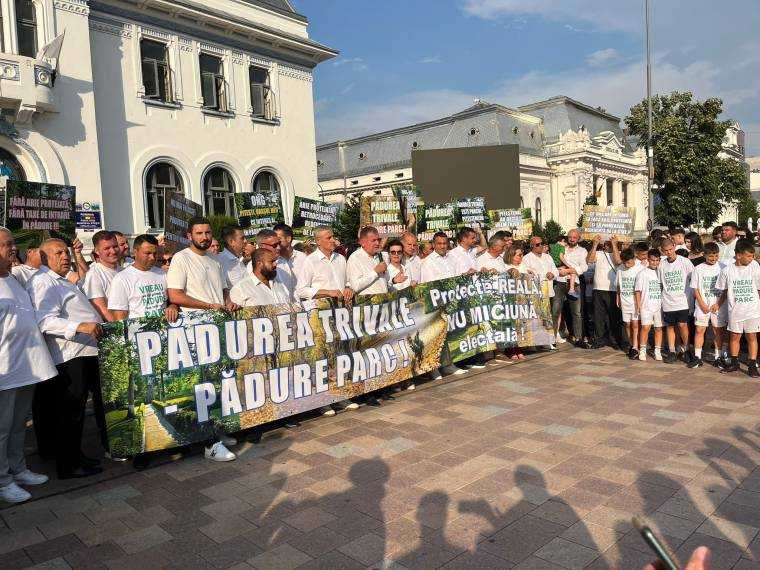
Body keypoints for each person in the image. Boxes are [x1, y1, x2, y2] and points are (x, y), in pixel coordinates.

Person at [27, 239, 104, 479]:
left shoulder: (61, 279)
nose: (65, 256)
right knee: (69, 413)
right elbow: (44, 320)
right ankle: (68, 465)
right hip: (70, 355)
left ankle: (75, 456)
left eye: (66, 251)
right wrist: (80, 325)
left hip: (84, 351)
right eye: (58, 253)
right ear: (44, 257)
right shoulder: (42, 282)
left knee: (76, 413)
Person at [166, 217, 239, 461]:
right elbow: (175, 294)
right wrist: (208, 305)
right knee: (202, 388)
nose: (204, 237)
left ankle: (215, 431)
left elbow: (224, 289)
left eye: (208, 232)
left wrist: (227, 301)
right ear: (189, 235)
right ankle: (209, 444)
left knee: (218, 385)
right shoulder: (181, 258)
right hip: (195, 332)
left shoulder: (215, 259)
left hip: (216, 329)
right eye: (199, 233)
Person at [0, 229, 57, 503]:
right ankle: (2, 481)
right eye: (8, 244)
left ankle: (18, 469)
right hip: (4, 371)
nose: (14, 248)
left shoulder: (13, 277)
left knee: (18, 425)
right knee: (1, 429)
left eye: (13, 243)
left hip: (27, 367)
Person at [296, 226, 359, 415]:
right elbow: (300, 290)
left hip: (339, 312)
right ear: (318, 241)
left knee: (339, 352)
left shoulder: (340, 258)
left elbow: (348, 280)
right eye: (328, 237)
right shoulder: (310, 261)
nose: (333, 240)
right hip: (319, 314)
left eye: (333, 236)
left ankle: (340, 396)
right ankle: (323, 400)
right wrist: (326, 292)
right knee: (321, 356)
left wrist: (348, 287)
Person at [420, 232, 467, 378]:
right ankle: (433, 368)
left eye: (444, 243)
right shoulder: (428, 262)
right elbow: (428, 285)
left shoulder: (451, 258)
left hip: (452, 301)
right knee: (435, 336)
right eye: (439, 243)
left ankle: (447, 365)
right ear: (433, 245)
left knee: (448, 334)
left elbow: (457, 276)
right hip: (437, 303)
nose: (442, 246)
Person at [108, 234, 179, 321]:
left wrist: (173, 307)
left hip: (164, 330)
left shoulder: (163, 273)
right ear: (135, 252)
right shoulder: (121, 279)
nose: (152, 257)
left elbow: (172, 300)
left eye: (155, 253)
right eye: (147, 253)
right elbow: (119, 318)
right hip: (138, 332)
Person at [716, 239, 760, 376]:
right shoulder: (727, 270)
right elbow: (723, 290)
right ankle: (734, 363)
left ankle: (752, 365)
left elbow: (758, 289)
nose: (751, 258)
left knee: (752, 336)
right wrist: (718, 304)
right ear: (739, 255)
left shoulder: (755, 267)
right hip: (734, 310)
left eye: (753, 256)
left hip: (752, 309)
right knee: (734, 336)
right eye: (748, 255)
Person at [689, 241, 726, 368]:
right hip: (702, 305)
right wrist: (702, 304)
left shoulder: (723, 267)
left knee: (718, 331)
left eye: (716, 255)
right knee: (700, 329)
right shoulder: (698, 269)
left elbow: (726, 289)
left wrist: (718, 303)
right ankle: (697, 357)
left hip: (718, 305)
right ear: (704, 255)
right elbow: (695, 289)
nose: (713, 259)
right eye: (710, 256)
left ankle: (718, 356)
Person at [658, 239, 695, 363]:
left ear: (674, 247)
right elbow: (660, 283)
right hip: (668, 301)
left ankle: (687, 349)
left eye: (670, 249)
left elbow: (693, 278)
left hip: (683, 300)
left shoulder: (685, 261)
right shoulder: (661, 264)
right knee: (670, 327)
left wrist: (692, 296)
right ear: (662, 251)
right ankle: (672, 351)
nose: (669, 252)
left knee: (683, 325)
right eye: (666, 251)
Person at [552, 229, 588, 347]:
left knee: (576, 312)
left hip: (574, 283)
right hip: (560, 281)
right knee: (555, 310)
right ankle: (553, 337)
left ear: (578, 238)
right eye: (570, 237)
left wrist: (569, 270)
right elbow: (553, 261)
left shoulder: (582, 251)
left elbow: (583, 268)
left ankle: (578, 338)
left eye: (574, 237)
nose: (572, 239)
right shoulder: (562, 248)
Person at [522, 236, 559, 349]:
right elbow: (526, 274)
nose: (541, 246)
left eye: (542, 243)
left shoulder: (548, 257)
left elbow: (555, 270)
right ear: (532, 246)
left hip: (548, 291)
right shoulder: (527, 258)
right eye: (537, 244)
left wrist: (553, 274)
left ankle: (548, 340)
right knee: (536, 318)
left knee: (548, 317)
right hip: (535, 293)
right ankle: (535, 342)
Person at [587, 235, 623, 349]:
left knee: (614, 317)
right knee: (598, 316)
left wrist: (614, 245)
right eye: (607, 244)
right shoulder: (598, 253)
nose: (607, 245)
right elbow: (589, 260)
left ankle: (615, 339)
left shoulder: (619, 252)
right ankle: (599, 339)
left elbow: (618, 261)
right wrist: (595, 244)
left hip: (612, 289)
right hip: (598, 288)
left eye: (609, 243)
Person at [82, 230, 122, 322]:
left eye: (115, 246)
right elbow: (102, 309)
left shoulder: (123, 271)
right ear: (97, 251)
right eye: (107, 248)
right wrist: (121, 329)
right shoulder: (94, 275)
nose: (113, 251)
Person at [635, 249, 664, 361]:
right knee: (645, 327)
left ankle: (657, 350)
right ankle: (642, 350)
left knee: (658, 328)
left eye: (657, 260)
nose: (655, 263)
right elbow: (638, 291)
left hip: (659, 305)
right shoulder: (642, 273)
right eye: (652, 260)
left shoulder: (661, 272)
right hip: (646, 305)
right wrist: (638, 305)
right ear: (648, 260)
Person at [616, 248, 644, 359]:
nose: (626, 265)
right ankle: (631, 343)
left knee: (636, 323)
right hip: (624, 300)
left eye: (628, 262)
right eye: (624, 262)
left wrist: (640, 303)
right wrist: (617, 297)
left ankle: (635, 347)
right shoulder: (620, 269)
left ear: (633, 258)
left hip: (636, 301)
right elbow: (618, 284)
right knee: (627, 324)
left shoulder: (640, 268)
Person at [347, 226, 390, 296]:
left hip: (384, 302)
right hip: (368, 304)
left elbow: (386, 281)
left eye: (378, 240)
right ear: (362, 242)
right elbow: (355, 286)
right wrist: (375, 272)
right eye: (373, 240)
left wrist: (394, 280)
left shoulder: (381, 256)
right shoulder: (355, 258)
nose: (377, 243)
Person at [274, 223, 307, 301]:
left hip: (304, 305)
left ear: (288, 239)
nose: (275, 242)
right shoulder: (274, 261)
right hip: (285, 308)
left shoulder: (303, 258)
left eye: (278, 239)